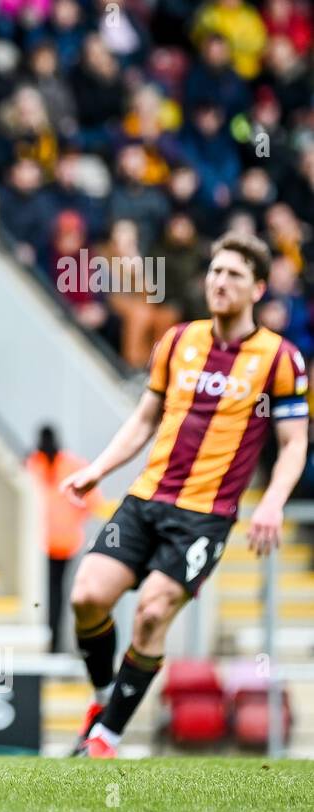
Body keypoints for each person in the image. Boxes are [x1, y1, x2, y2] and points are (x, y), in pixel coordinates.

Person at [61, 232, 309, 758]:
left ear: (259, 288)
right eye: (216, 271)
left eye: (235, 275)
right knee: (86, 596)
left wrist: (271, 503)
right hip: (146, 497)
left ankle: (105, 738)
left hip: (205, 516)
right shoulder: (178, 341)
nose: (220, 282)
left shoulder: (280, 359)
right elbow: (145, 418)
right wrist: (99, 468)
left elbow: (293, 444)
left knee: (152, 612)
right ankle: (105, 699)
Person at [26, 425, 101, 652]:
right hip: (53, 542)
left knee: (56, 596)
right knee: (56, 596)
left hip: (59, 543)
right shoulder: (41, 464)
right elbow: (91, 502)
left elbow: (91, 502)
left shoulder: (39, 464)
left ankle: (56, 644)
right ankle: (54, 643)